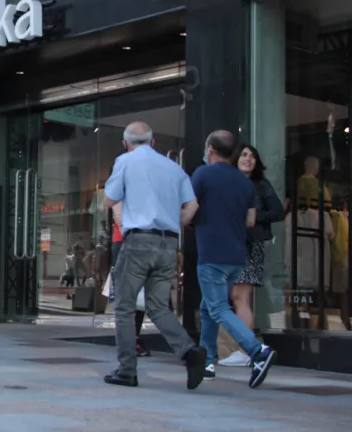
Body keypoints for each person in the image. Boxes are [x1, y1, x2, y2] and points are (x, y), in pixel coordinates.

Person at [102, 121, 206, 390]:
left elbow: (109, 200)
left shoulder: (125, 161)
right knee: (158, 306)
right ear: (154, 142)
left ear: (126, 143)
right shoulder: (174, 167)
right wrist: (174, 222)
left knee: (124, 307)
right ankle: (189, 352)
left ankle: (127, 370)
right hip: (168, 242)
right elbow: (192, 205)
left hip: (138, 241)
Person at [193, 131, 277, 388]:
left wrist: (184, 221)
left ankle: (256, 351)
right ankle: (207, 359)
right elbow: (251, 220)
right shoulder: (244, 183)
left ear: (210, 149)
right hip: (237, 255)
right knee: (209, 306)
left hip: (211, 252)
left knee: (218, 308)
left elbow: (190, 207)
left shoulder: (202, 174)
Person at [218, 144, 285, 367]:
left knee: (240, 297)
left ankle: (247, 350)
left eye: (253, 156)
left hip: (248, 244)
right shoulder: (229, 182)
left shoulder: (260, 185)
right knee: (235, 297)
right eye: (244, 155)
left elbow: (278, 211)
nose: (248, 159)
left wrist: (254, 217)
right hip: (231, 244)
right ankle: (245, 348)